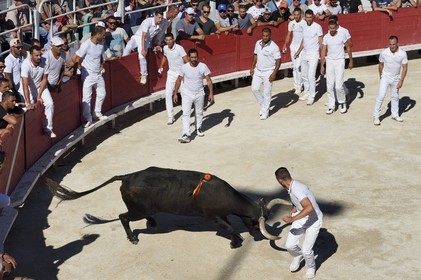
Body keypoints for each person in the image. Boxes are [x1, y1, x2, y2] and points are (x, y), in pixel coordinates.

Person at [275, 167, 323, 279]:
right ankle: (297, 256)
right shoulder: (292, 186)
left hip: (313, 220)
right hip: (301, 217)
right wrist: (295, 207)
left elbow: (309, 207)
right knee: (290, 245)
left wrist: (292, 219)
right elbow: (301, 200)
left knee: (307, 250)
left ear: (280, 181)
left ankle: (311, 267)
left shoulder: (297, 188)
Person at [173, 49, 214, 144]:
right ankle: (186, 134)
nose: (194, 59)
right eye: (192, 57)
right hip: (187, 93)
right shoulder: (184, 67)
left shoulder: (203, 66)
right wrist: (175, 93)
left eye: (195, 57)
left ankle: (198, 128)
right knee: (186, 113)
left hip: (199, 93)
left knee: (199, 112)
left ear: (197, 57)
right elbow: (178, 80)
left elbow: (208, 80)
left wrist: (211, 93)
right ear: (188, 57)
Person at [72, 22, 108, 128]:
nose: (104, 36)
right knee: (87, 98)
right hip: (88, 75)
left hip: (98, 74)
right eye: (103, 34)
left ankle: (97, 113)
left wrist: (101, 66)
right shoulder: (86, 45)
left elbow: (100, 57)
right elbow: (75, 58)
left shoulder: (101, 44)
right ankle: (88, 119)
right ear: (98, 34)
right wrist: (79, 68)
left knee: (102, 93)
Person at [20, 46, 56, 138]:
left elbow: (44, 79)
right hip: (28, 88)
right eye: (36, 55)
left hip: (40, 86)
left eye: (40, 55)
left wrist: (39, 95)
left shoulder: (45, 61)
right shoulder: (25, 64)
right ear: (31, 55)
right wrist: (28, 102)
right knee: (28, 109)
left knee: (50, 103)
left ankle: (48, 128)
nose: (39, 57)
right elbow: (25, 84)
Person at [373, 35, 408, 125]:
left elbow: (404, 67)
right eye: (390, 44)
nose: (392, 46)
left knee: (395, 97)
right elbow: (380, 64)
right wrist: (381, 76)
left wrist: (401, 81)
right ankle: (376, 116)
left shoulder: (402, 53)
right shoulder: (384, 52)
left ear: (397, 44)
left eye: (393, 44)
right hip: (385, 77)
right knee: (381, 96)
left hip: (396, 78)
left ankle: (395, 115)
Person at [320, 20, 353, 114]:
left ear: (336, 27)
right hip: (330, 61)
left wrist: (351, 60)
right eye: (330, 28)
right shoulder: (326, 37)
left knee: (338, 85)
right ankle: (331, 105)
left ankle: (342, 102)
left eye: (334, 28)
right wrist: (322, 65)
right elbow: (323, 51)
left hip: (339, 61)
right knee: (329, 85)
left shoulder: (341, 35)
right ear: (328, 27)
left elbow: (348, 47)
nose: (332, 30)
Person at [123, 11, 164, 85]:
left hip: (146, 41)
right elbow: (143, 35)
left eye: (161, 18)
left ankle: (144, 75)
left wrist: (153, 45)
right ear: (155, 16)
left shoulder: (160, 26)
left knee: (141, 57)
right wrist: (143, 49)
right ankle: (123, 64)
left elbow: (154, 36)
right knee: (128, 46)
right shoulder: (147, 21)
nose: (160, 20)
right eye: (159, 17)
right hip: (138, 37)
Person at [250, 28, 281, 120]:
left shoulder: (274, 47)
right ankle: (264, 106)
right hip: (258, 70)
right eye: (263, 35)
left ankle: (265, 112)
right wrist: (252, 67)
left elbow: (279, 61)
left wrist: (274, 73)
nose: (265, 37)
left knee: (267, 92)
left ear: (270, 35)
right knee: (254, 89)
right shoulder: (258, 43)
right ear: (261, 35)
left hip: (268, 71)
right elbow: (255, 55)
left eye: (267, 36)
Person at [158, 33, 188, 125]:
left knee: (184, 94)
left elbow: (186, 60)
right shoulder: (165, 48)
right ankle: (170, 117)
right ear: (165, 41)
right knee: (168, 94)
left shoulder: (179, 48)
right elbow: (165, 56)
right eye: (167, 40)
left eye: (170, 39)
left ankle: (185, 115)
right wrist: (161, 66)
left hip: (181, 73)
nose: (169, 41)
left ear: (173, 39)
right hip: (171, 72)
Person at [294, 9, 323, 105]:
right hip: (304, 53)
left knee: (311, 76)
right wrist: (298, 51)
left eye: (310, 17)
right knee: (304, 75)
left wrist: (323, 55)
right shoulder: (303, 25)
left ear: (313, 17)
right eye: (307, 17)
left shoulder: (317, 27)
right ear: (305, 17)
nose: (309, 19)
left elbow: (320, 41)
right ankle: (306, 93)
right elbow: (304, 40)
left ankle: (312, 96)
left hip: (314, 54)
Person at [283, 7, 304, 93]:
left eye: (298, 15)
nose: (296, 16)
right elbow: (289, 35)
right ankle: (296, 84)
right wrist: (285, 44)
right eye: (294, 15)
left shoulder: (304, 23)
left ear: (301, 15)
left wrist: (299, 50)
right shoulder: (291, 23)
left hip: (302, 47)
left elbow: (305, 37)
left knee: (299, 67)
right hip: (293, 46)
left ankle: (300, 84)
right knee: (294, 67)